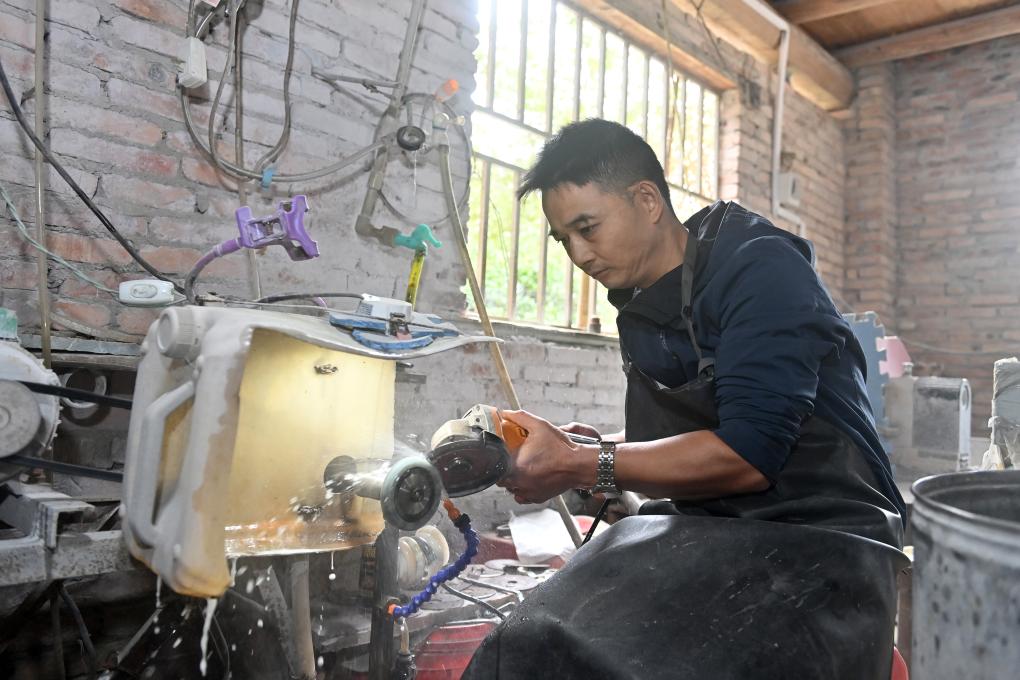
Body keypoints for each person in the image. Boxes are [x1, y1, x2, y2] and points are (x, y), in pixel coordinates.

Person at [463, 119, 908, 680]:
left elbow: (747, 454)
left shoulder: (760, 268)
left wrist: (583, 463)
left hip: (823, 541)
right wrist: (589, 447)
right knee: (529, 643)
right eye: (563, 240)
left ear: (647, 200)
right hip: (709, 532)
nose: (578, 253)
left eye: (587, 228)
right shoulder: (641, 304)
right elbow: (681, 440)